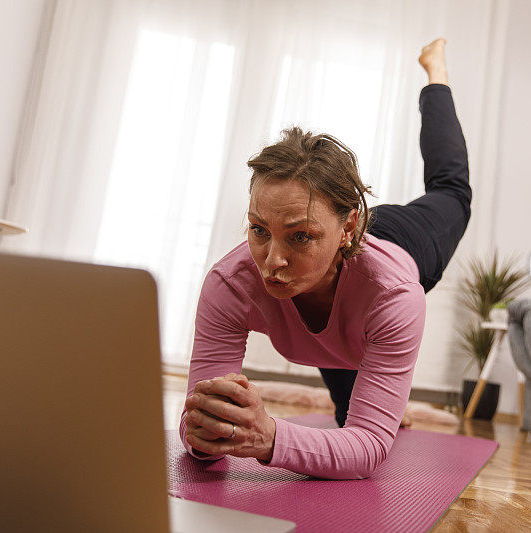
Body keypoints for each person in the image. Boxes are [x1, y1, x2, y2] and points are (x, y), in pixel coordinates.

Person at [180, 37, 471, 480]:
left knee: (450, 189)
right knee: (342, 418)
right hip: (336, 281)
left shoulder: (394, 296)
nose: (272, 261)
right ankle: (387, 399)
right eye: (259, 230)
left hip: (401, 245)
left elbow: (368, 448)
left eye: (299, 237)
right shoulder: (230, 284)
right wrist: (206, 433)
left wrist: (270, 437)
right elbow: (197, 422)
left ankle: (437, 78)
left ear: (348, 229)